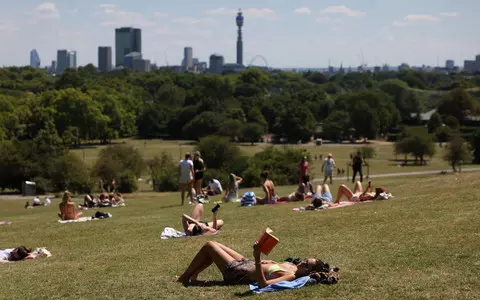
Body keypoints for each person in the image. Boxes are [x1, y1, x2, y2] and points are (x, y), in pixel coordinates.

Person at [176, 241, 336, 287]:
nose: (302, 261)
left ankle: (185, 277)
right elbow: (271, 266)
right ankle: (193, 276)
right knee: (213, 247)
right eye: (305, 260)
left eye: (306, 264)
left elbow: (263, 284)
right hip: (247, 262)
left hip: (237, 272)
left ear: (308, 271)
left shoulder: (290, 275)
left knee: (209, 246)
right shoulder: (293, 266)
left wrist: (258, 258)